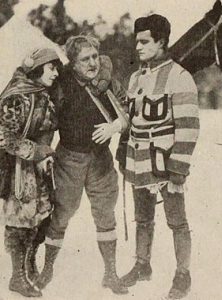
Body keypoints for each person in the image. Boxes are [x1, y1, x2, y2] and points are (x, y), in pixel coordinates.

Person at [35, 35, 128, 295]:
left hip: (101, 160)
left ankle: (111, 273)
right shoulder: (61, 84)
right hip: (69, 159)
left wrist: (116, 126)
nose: (92, 63)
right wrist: (43, 153)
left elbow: (129, 109)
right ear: (73, 63)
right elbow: (46, 121)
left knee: (105, 215)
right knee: (61, 214)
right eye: (85, 59)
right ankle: (47, 269)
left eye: (95, 57)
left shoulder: (107, 82)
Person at [117, 14, 200, 299]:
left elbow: (188, 128)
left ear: (161, 42)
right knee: (143, 218)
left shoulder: (179, 76)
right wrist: (122, 151)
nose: (138, 47)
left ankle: (182, 275)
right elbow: (130, 118)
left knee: (177, 220)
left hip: (165, 162)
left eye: (145, 41)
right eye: (136, 41)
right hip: (138, 160)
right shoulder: (136, 77)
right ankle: (142, 265)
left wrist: (178, 169)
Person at [0, 48, 62, 297]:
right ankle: (17, 277)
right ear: (37, 68)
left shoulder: (43, 95)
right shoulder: (17, 97)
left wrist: (44, 154)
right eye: (51, 68)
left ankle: (28, 265)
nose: (56, 74)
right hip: (18, 168)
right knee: (21, 219)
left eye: (57, 69)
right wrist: (36, 152)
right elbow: (4, 137)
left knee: (41, 216)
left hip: (38, 167)